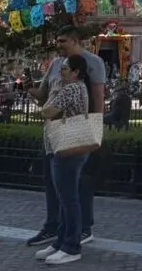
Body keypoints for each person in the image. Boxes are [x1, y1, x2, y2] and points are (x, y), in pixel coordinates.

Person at [25, 25, 106, 249]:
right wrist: (32, 90)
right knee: (54, 183)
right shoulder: (55, 65)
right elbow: (45, 96)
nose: (58, 45)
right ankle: (55, 227)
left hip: (76, 131)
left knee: (77, 184)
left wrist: (96, 129)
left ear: (75, 40)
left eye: (62, 41)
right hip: (53, 132)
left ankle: (81, 230)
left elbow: (98, 98)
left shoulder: (93, 63)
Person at [34, 53, 93, 266]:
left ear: (77, 72)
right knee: (64, 198)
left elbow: (47, 110)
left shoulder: (71, 89)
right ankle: (60, 242)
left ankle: (71, 246)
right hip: (65, 147)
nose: (61, 72)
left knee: (68, 199)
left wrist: (53, 92)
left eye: (66, 69)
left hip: (67, 147)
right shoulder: (77, 88)